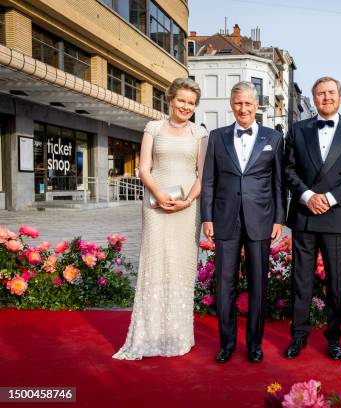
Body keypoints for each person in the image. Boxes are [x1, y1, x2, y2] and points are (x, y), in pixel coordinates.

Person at [113, 77, 208, 360]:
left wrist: (188, 200)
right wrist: (158, 193)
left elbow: (203, 175)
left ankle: (178, 336)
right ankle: (148, 336)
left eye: (191, 103)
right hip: (155, 206)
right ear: (170, 99)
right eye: (181, 100)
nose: (186, 106)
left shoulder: (200, 133)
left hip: (187, 208)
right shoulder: (153, 127)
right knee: (154, 263)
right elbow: (144, 168)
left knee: (181, 267)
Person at [284, 76, 341, 360]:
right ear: (315, 97)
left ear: (340, 96)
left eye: (331, 92)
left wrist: (330, 198)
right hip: (305, 214)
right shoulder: (297, 129)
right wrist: (309, 196)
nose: (326, 97)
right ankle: (298, 336)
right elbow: (288, 170)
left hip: (337, 216)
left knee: (335, 282)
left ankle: (334, 338)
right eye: (320, 93)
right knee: (301, 281)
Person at [201, 81, 285, 364]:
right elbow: (208, 180)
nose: (243, 108)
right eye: (238, 103)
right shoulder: (216, 136)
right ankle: (226, 344)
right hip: (224, 219)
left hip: (260, 220)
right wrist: (207, 217)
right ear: (231, 104)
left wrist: (278, 219)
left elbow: (278, 183)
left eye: (248, 103)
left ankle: (254, 344)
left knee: (258, 285)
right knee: (224, 285)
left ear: (256, 105)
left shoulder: (273, 138)